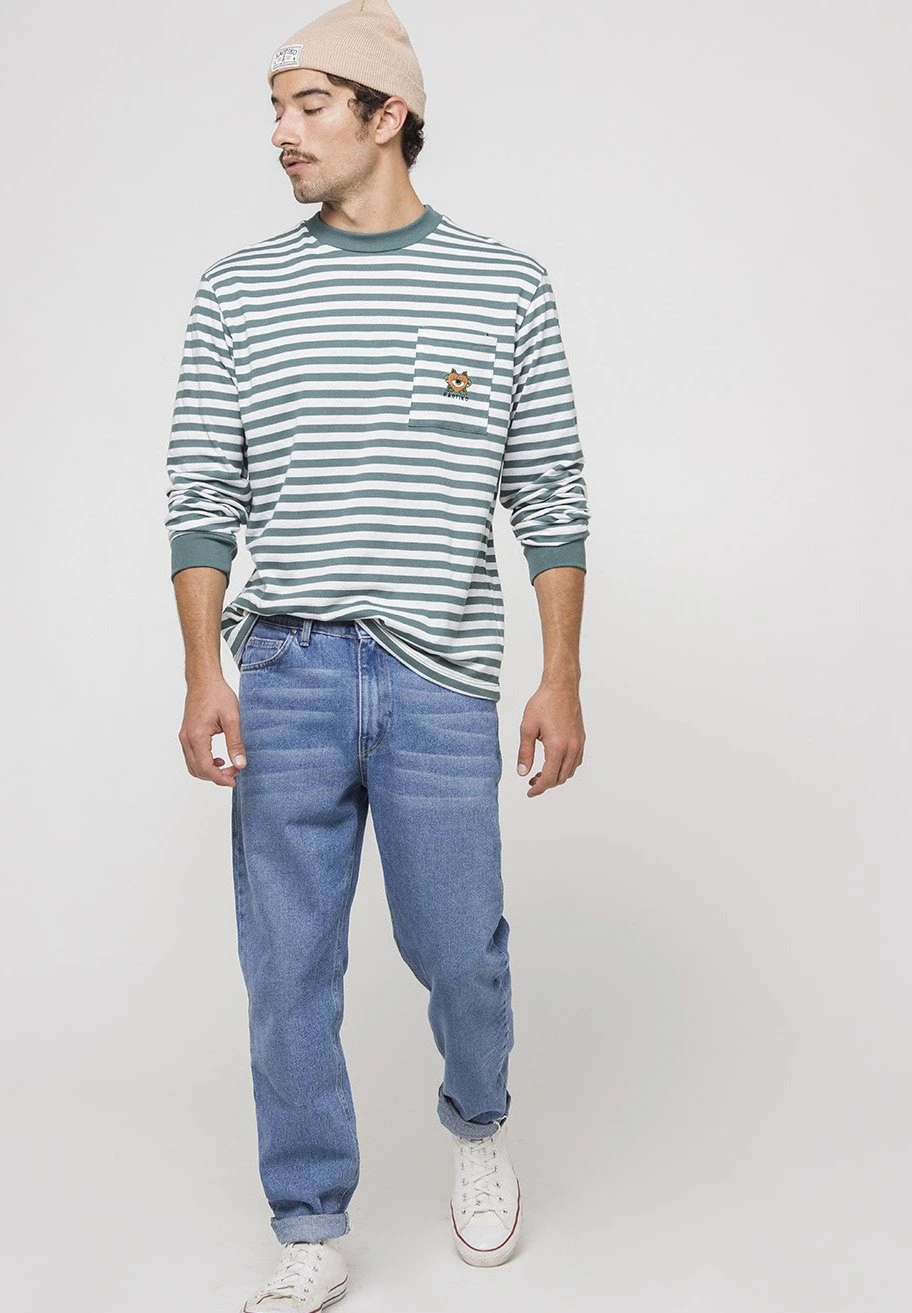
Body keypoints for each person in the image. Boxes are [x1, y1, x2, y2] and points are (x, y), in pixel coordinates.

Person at [165, 0, 590, 1306]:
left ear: (387, 113)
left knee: (461, 948)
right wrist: (202, 672)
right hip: (287, 671)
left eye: (309, 107)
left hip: (440, 679)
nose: (282, 134)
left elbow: (552, 495)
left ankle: (479, 1125)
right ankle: (309, 1220)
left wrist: (561, 676)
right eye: (275, 110)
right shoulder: (237, 290)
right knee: (286, 965)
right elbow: (201, 494)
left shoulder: (505, 286)